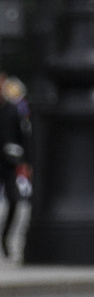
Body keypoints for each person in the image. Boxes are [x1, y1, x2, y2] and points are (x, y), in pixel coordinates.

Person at [0, 73, 32, 262]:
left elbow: (23, 137)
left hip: (8, 163)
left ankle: (4, 236)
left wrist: (26, 162)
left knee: (14, 200)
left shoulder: (13, 111)